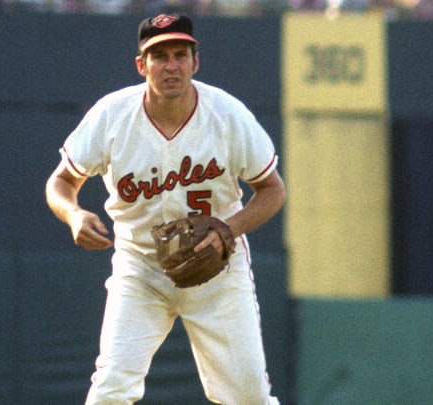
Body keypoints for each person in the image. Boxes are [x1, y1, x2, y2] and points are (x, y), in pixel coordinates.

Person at [45, 13, 285, 404]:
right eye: (159, 56)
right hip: (141, 269)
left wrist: (227, 229)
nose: (170, 65)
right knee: (110, 389)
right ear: (142, 65)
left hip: (218, 271)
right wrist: (72, 212)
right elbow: (61, 181)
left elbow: (272, 189)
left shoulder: (227, 114)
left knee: (249, 398)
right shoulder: (112, 115)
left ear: (195, 61)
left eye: (179, 54)